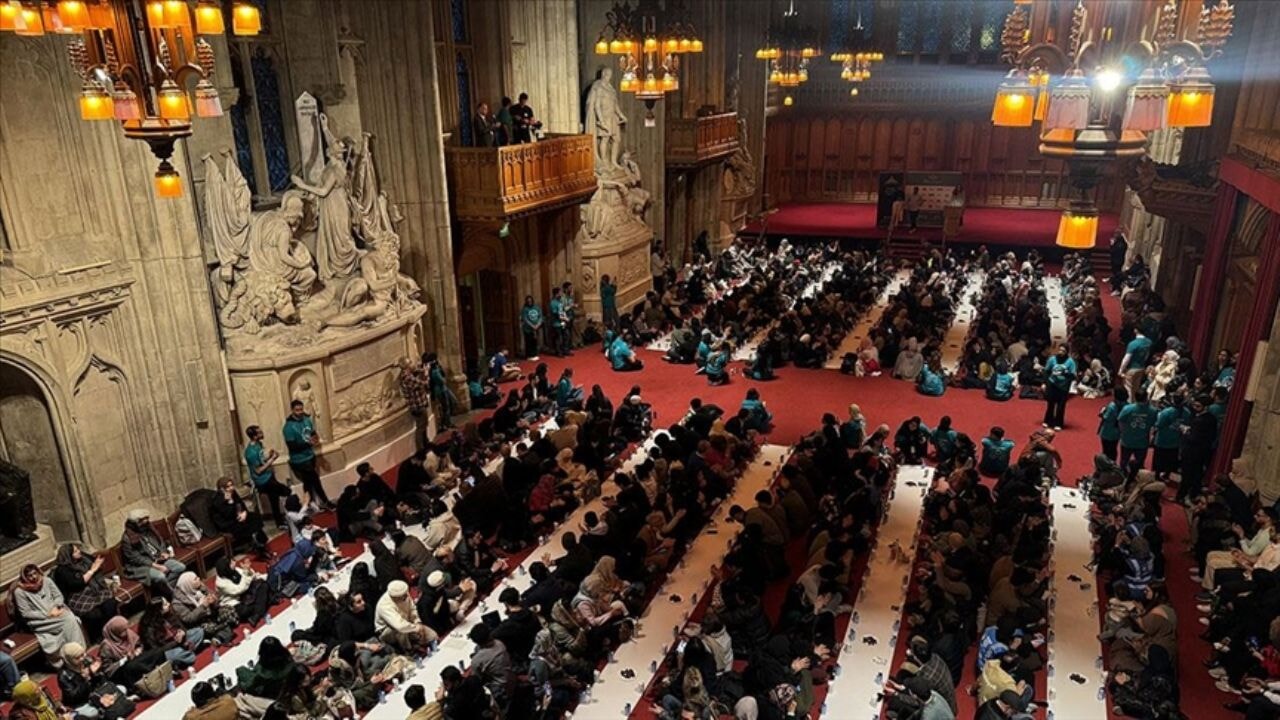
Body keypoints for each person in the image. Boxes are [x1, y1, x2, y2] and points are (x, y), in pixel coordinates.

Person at [7, 564, 86, 667]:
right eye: (30, 575)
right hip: (39, 621)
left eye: (35, 573)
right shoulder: (20, 591)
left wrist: (56, 607)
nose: (34, 577)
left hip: (56, 611)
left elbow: (58, 596)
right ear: (24, 577)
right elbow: (26, 613)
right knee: (68, 619)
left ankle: (78, 653)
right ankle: (74, 656)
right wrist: (47, 614)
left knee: (70, 617)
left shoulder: (47, 581)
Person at [51, 543, 118, 641]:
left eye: (78, 549)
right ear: (68, 555)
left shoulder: (84, 558)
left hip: (94, 590)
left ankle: (113, 630)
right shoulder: (62, 571)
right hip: (77, 596)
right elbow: (77, 584)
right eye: (75, 551)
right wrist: (92, 570)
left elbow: (98, 565)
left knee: (110, 603)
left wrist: (97, 566)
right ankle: (99, 636)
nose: (79, 552)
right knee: (94, 614)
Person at [120, 508, 185, 598]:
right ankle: (173, 595)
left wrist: (163, 552)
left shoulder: (148, 528)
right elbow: (135, 559)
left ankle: (160, 592)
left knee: (179, 567)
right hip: (140, 566)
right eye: (143, 520)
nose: (146, 521)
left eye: (147, 518)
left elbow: (160, 540)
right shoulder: (127, 538)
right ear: (136, 522)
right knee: (160, 576)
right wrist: (155, 566)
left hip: (157, 558)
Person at [283, 399, 333, 510]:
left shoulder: (307, 420)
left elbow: (312, 432)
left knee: (308, 482)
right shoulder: (288, 427)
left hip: (310, 456)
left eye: (301, 409)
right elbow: (292, 447)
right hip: (300, 460)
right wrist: (308, 444)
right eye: (297, 410)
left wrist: (315, 439)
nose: (300, 412)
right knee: (315, 481)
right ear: (292, 410)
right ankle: (325, 502)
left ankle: (309, 503)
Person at [243, 425, 290, 528]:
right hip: (263, 481)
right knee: (287, 491)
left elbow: (261, 460)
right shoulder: (250, 452)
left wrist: (270, 455)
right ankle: (284, 519)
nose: (262, 433)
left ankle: (280, 522)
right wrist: (272, 459)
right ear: (254, 436)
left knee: (274, 499)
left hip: (268, 476)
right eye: (259, 432)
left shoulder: (258, 444)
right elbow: (258, 471)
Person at [211, 476, 271, 557]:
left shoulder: (233, 493)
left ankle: (260, 544)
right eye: (228, 487)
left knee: (255, 517)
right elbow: (227, 514)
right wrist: (230, 502)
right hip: (227, 523)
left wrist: (244, 513)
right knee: (247, 526)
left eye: (231, 485)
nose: (231, 488)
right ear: (222, 489)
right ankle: (259, 546)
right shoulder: (217, 499)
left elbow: (241, 504)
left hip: (237, 516)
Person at [376, 580, 436, 652]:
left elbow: (412, 609)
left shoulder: (404, 593)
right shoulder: (384, 605)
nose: (407, 596)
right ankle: (408, 650)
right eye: (404, 595)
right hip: (390, 631)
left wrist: (418, 622)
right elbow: (399, 626)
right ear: (396, 597)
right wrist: (415, 628)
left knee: (433, 636)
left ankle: (414, 643)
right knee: (399, 631)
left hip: (408, 625)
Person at [1117, 388, 1157, 474]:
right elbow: (1155, 425)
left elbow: (1120, 421)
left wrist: (1123, 432)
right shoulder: (1153, 411)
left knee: (1124, 462)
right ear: (1146, 398)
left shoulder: (1127, 408)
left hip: (1127, 440)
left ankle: (1123, 478)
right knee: (1139, 464)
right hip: (1142, 442)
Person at [399, 354, 434, 452]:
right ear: (406, 366)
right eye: (410, 363)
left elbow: (416, 371)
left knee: (424, 424)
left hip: (420, 403)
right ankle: (421, 448)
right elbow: (423, 383)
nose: (412, 364)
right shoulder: (407, 377)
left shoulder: (408, 374)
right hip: (417, 406)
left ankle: (426, 442)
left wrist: (423, 369)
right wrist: (426, 374)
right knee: (421, 427)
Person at [1042, 345, 1076, 430]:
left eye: (1063, 351)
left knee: (1061, 406)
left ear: (1066, 352)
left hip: (1063, 387)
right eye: (1060, 350)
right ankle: (1048, 420)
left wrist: (1064, 373)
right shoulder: (1052, 359)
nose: (1060, 352)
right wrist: (1045, 383)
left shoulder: (1070, 362)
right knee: (1050, 404)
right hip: (1052, 384)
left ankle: (1058, 423)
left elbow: (1073, 375)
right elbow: (1046, 371)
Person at [1097, 386, 1128, 463]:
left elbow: (1106, 417)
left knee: (1106, 451)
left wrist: (1102, 413)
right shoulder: (1127, 405)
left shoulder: (1112, 406)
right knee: (1113, 450)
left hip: (1107, 432)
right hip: (1117, 432)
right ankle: (1113, 464)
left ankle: (1106, 466)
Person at [1118, 329, 1154, 394]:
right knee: (1136, 388)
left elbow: (1126, 359)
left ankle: (1129, 404)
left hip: (1132, 368)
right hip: (1142, 367)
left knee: (1128, 389)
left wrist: (1121, 370)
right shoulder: (1149, 342)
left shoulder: (1133, 344)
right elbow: (1147, 354)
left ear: (1135, 331)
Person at [427, 353, 457, 429]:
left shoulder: (437, 368)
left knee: (454, 402)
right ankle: (447, 423)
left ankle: (446, 421)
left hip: (444, 388)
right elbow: (442, 380)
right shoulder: (434, 371)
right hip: (441, 390)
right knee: (446, 407)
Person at [519, 295, 543, 360]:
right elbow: (525, 319)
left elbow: (540, 316)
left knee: (535, 341)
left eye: (530, 301)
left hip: (536, 327)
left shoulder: (536, 307)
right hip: (528, 329)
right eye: (528, 301)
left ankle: (534, 354)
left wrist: (538, 324)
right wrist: (532, 326)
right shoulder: (524, 309)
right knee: (529, 342)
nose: (529, 302)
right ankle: (529, 355)